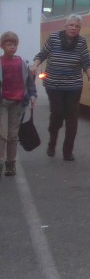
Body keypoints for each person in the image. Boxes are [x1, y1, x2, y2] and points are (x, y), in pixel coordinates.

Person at [32, 14, 90, 162]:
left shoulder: (81, 42)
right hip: (54, 85)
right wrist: (35, 65)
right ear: (65, 26)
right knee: (57, 114)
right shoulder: (54, 38)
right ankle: (52, 142)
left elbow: (86, 62)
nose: (74, 28)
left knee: (72, 118)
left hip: (73, 86)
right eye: (71, 25)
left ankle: (68, 151)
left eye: (77, 26)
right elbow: (42, 54)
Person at [0, 31, 38, 177]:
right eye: (9, 44)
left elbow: (29, 81)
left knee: (13, 135)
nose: (12, 47)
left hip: (17, 103)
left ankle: (11, 164)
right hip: (2, 103)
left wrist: (32, 95)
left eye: (14, 44)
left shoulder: (21, 63)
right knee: (2, 135)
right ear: (2, 46)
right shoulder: (0, 62)